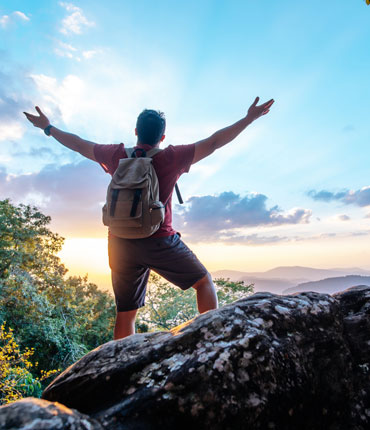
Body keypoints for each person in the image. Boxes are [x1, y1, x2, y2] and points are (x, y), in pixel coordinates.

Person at [24, 96, 274, 339]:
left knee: (125, 314)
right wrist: (248, 119)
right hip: (160, 240)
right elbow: (214, 142)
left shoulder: (116, 154)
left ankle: (120, 367)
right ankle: (213, 343)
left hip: (120, 242)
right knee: (204, 282)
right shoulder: (171, 157)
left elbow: (78, 144)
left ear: (136, 131)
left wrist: (48, 127)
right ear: (162, 137)